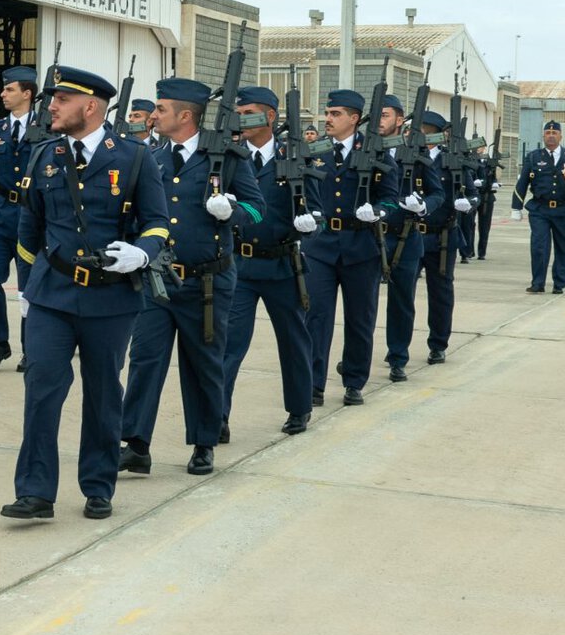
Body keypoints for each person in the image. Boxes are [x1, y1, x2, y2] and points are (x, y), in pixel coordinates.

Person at [1, 66, 169, 522]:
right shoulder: (43, 156)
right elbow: (28, 228)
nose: (50, 105)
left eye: (60, 99)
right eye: (51, 98)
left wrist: (143, 251)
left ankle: (97, 485)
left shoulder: (134, 158)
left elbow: (158, 222)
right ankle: (35, 491)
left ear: (90, 107)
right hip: (51, 295)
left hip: (110, 299)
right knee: (41, 389)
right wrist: (26, 286)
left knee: (102, 394)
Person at [119, 77, 261, 477]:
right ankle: (136, 444)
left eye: (161, 110)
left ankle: (203, 443)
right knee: (145, 359)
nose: (154, 115)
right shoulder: (150, 155)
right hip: (158, 279)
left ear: (185, 115)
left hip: (207, 282)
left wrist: (230, 211)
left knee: (203, 363)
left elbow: (257, 209)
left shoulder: (228, 157)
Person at [218, 86, 317, 436]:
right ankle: (218, 416)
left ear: (270, 116)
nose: (241, 120)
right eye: (238, 113)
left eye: (249, 114)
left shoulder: (294, 157)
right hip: (240, 265)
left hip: (282, 264)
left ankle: (299, 408)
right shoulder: (229, 156)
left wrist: (310, 222)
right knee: (228, 344)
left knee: (293, 340)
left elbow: (314, 207)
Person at [301, 88, 389, 407]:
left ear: (354, 118)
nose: (328, 119)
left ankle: (354, 381)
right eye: (327, 113)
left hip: (361, 246)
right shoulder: (316, 149)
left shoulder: (375, 152)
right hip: (321, 246)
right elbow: (305, 192)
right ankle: (313, 384)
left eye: (335, 114)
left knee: (359, 318)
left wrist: (380, 211)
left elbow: (390, 196)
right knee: (316, 317)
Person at [373, 94, 444, 384]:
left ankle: (397, 356)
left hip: (404, 236)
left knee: (402, 301)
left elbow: (438, 193)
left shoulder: (415, 154)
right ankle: (357, 355)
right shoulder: (365, 151)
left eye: (386, 115)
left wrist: (423, 205)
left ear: (400, 120)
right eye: (376, 114)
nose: (380, 120)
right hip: (371, 237)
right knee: (361, 303)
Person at [0, 66, 39, 372]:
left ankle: (31, 347)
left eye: (9, 89)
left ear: (27, 93)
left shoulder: (46, 129)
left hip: (31, 217)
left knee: (29, 288)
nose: (2, 94)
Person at [416, 109, 472, 366]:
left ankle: (438, 344)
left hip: (442, 237)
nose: (422, 134)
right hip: (411, 235)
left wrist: (467, 203)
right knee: (401, 293)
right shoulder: (411, 157)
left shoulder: (453, 161)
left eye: (427, 130)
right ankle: (398, 346)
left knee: (440, 293)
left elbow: (473, 194)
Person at [511, 119, 565, 295]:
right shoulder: (534, 157)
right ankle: (538, 282)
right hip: (540, 209)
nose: (551, 136)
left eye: (554, 133)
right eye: (548, 133)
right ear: (543, 135)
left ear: (560, 135)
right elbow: (523, 182)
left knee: (564, 247)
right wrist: (516, 206)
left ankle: (560, 281)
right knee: (539, 246)